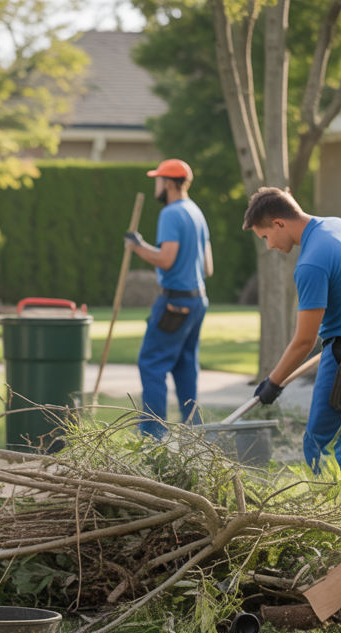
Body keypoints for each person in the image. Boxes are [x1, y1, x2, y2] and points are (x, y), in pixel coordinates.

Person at [244, 188, 341, 529]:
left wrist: (273, 383)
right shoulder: (339, 227)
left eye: (266, 236)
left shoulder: (310, 262)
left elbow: (304, 340)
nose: (268, 245)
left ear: (279, 222)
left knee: (320, 444)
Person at [124, 159, 214, 437]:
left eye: (158, 180)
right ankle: (194, 436)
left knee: (151, 363)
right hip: (197, 300)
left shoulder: (171, 213)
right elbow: (208, 268)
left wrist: (136, 246)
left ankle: (152, 437)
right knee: (185, 366)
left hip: (175, 303)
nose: (156, 185)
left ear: (169, 184)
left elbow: (166, 259)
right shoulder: (196, 212)